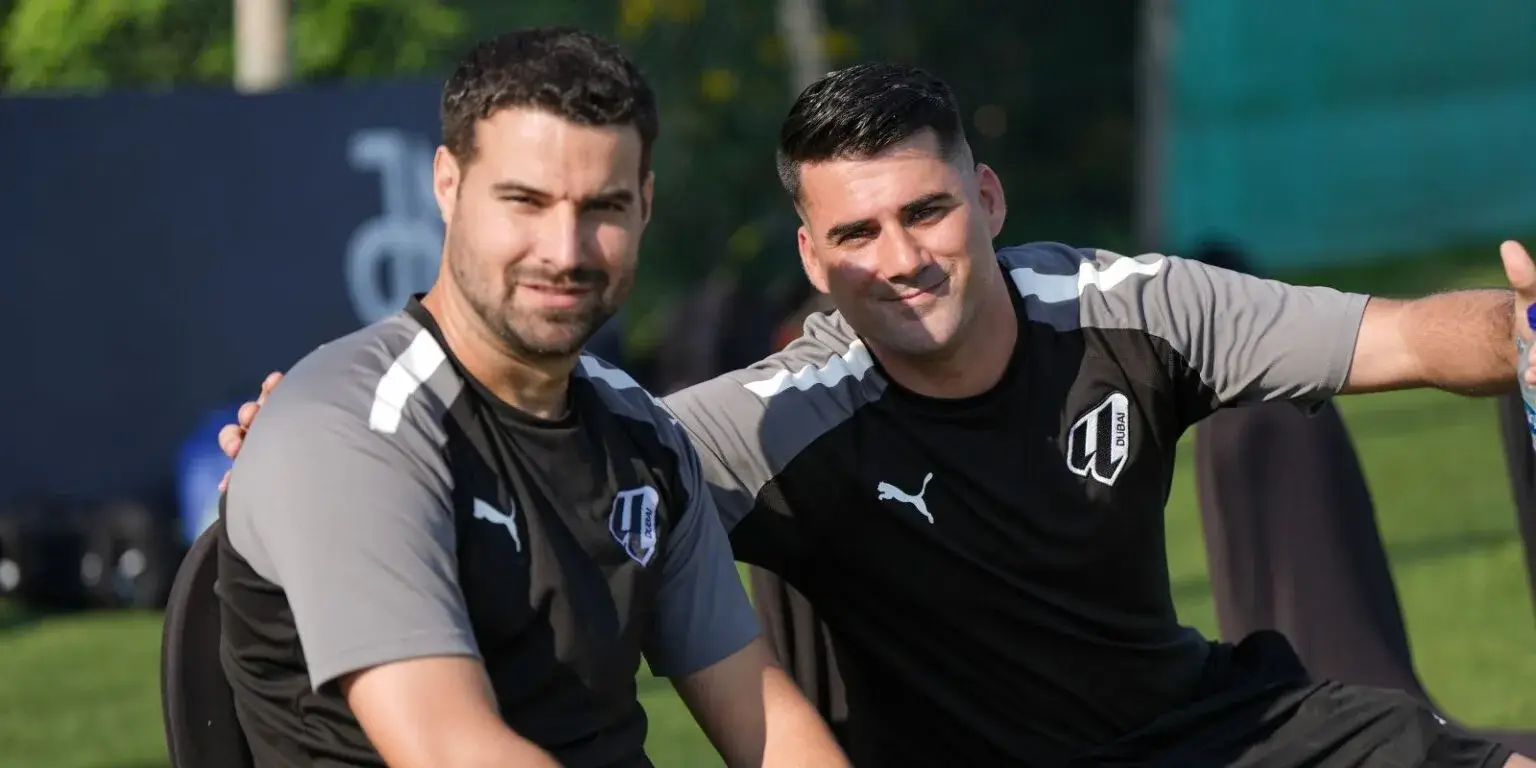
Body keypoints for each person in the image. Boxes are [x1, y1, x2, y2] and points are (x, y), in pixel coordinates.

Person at [219, 61, 1536, 766]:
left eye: (927, 212)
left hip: (1200, 731)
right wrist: (306, 441)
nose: (900, 257)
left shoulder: (1136, 303)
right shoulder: (754, 423)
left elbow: (1417, 335)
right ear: (810, 258)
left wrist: (1524, 333)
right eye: (855, 231)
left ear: (990, 202)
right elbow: (525, 474)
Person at [213, 28, 845, 768]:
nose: (565, 250)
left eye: (603, 207)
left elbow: (765, 721)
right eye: (526, 201)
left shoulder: (645, 434)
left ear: (644, 204)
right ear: (447, 185)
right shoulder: (352, 429)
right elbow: (452, 749)